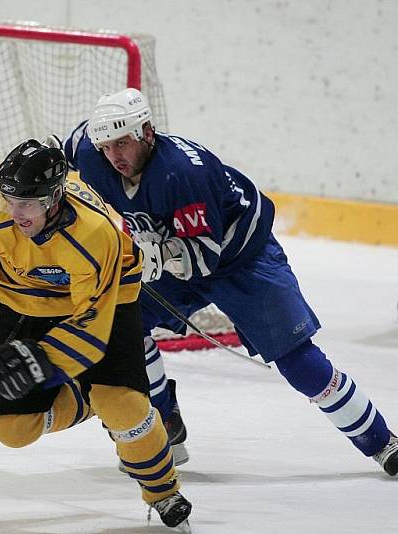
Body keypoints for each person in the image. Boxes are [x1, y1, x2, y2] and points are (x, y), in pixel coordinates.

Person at [63, 87, 398, 476]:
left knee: (297, 360)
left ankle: (381, 441)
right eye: (107, 146)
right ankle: (164, 425)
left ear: (147, 133)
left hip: (243, 261)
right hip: (175, 256)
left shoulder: (183, 172)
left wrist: (152, 256)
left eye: (123, 143)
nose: (114, 156)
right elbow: (62, 148)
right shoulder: (92, 150)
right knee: (123, 323)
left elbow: (201, 259)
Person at [0, 138, 193, 528]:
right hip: (23, 303)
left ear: (53, 199)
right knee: (8, 428)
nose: (14, 213)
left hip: (107, 303)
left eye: (26, 204)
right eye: (8, 200)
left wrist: (39, 361)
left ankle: (164, 491)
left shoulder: (95, 235)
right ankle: (88, 398)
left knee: (125, 409)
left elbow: (91, 328)